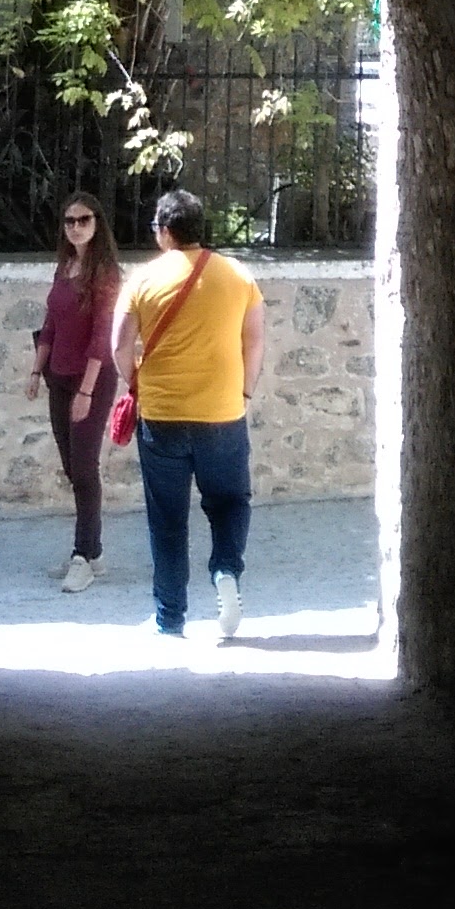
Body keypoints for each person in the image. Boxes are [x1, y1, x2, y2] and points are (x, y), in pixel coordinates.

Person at [111, 187, 264, 642]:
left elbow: (119, 345)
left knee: (167, 519)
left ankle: (170, 618)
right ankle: (226, 571)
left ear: (164, 231)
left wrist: (136, 382)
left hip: (162, 415)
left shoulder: (142, 279)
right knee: (230, 502)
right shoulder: (238, 276)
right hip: (223, 412)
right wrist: (245, 390)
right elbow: (254, 339)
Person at [25, 193, 121, 590]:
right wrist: (36, 370)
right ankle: (93, 552)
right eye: (70, 221)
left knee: (84, 467)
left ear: (97, 224)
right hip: (59, 376)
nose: (76, 227)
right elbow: (51, 324)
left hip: (92, 379)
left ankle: (82, 555)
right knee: (71, 465)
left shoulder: (106, 273)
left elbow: (102, 335)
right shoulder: (64, 267)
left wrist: (86, 392)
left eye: (84, 220)